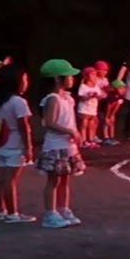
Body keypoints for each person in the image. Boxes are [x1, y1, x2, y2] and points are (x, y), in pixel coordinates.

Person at [36, 60, 85, 229]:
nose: (72, 78)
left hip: (68, 146)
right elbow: (48, 122)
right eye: (69, 75)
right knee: (53, 181)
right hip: (55, 146)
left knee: (65, 180)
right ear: (58, 79)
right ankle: (50, 213)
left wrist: (76, 133)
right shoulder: (53, 99)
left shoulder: (68, 98)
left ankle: (64, 209)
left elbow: (69, 120)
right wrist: (70, 132)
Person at [0, 63, 34, 223]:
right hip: (15, 144)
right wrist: (28, 147)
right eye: (25, 79)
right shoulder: (18, 102)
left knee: (0, 179)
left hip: (0, 143)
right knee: (11, 180)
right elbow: (24, 126)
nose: (27, 82)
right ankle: (12, 213)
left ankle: (0, 210)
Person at [76, 67, 102, 148]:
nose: (95, 76)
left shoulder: (96, 87)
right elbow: (81, 97)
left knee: (91, 125)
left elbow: (99, 96)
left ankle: (91, 139)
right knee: (84, 124)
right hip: (84, 109)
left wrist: (97, 96)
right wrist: (89, 96)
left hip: (92, 109)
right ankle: (84, 141)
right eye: (93, 74)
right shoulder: (83, 86)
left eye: (95, 75)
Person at [101, 80, 125, 146]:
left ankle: (112, 137)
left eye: (123, 88)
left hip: (111, 111)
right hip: (104, 111)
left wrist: (112, 115)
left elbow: (117, 106)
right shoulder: (111, 96)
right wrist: (107, 117)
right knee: (106, 123)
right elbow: (108, 106)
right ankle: (106, 138)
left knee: (112, 122)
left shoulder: (120, 96)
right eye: (120, 88)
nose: (123, 90)